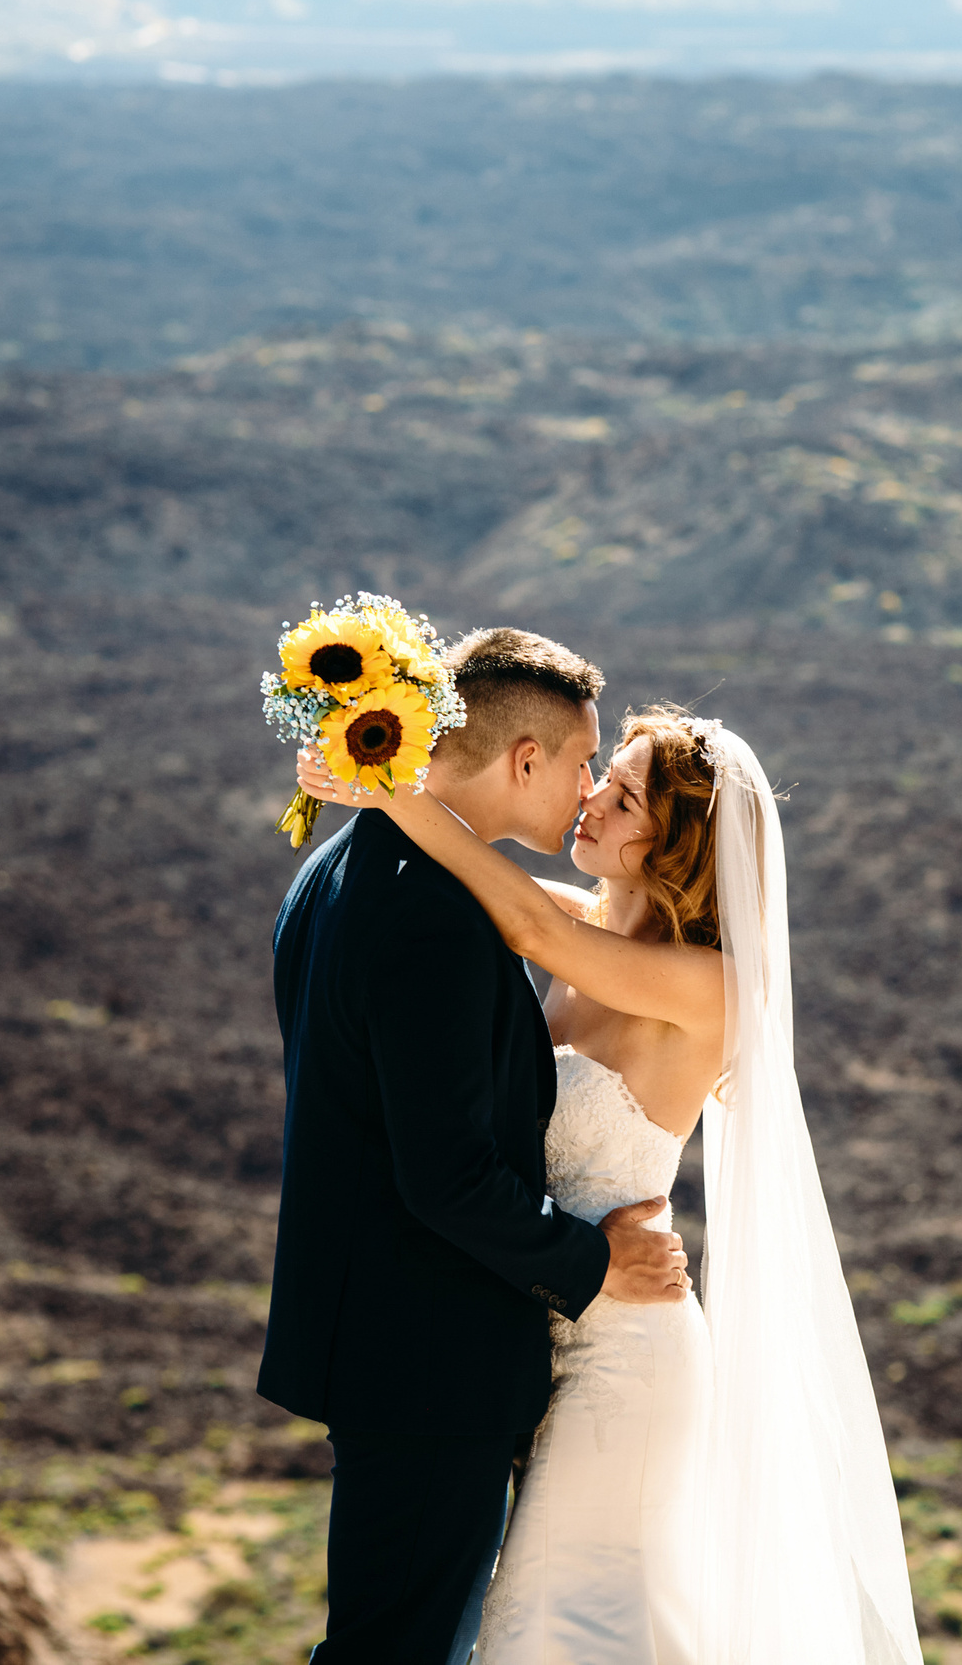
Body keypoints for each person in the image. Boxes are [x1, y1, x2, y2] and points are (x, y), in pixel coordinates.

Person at [296, 699, 919, 1665]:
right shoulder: (597, 921)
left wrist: (392, 786)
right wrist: (368, 785)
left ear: (672, 851)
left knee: (561, 1626)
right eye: (603, 775)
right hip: (548, 1325)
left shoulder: (704, 982)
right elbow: (491, 880)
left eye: (623, 798)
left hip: (625, 1351)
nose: (589, 800)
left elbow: (524, 919)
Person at [258, 628, 691, 1664]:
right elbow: (447, 1175)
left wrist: (378, 787)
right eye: (584, 763)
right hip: (428, 1360)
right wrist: (596, 1262)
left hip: (382, 1343)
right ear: (523, 758)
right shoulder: (435, 917)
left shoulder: (336, 866)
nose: (586, 789)